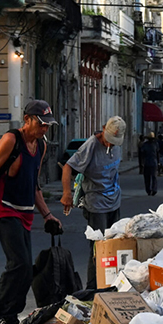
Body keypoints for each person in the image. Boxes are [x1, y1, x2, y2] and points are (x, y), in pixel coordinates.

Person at [0, 100, 61, 324]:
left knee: (25, 269)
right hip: (3, 209)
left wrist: (48, 215)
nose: (44, 129)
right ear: (28, 120)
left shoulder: (40, 146)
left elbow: (35, 185)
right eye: (41, 124)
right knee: (18, 263)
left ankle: (10, 317)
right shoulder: (11, 140)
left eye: (47, 126)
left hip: (25, 212)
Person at [61, 116, 125, 290]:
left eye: (114, 143)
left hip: (114, 201)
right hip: (96, 204)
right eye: (108, 141)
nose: (110, 145)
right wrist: (67, 193)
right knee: (98, 247)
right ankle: (93, 288)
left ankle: (110, 284)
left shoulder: (116, 146)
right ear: (104, 129)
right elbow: (68, 167)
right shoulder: (91, 145)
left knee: (113, 245)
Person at [139, 132, 160, 196]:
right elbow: (157, 154)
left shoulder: (145, 145)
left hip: (148, 163)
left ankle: (150, 190)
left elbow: (141, 154)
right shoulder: (155, 144)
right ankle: (152, 189)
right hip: (152, 162)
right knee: (152, 177)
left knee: (149, 177)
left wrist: (141, 163)